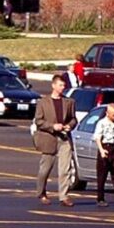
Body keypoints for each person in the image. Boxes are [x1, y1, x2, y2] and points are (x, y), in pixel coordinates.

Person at [33, 74, 76, 206]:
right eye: (60, 85)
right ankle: (41, 192)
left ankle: (64, 196)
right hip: (49, 138)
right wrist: (52, 126)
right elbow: (38, 121)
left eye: (64, 85)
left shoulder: (69, 102)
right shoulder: (43, 102)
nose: (63, 88)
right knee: (45, 169)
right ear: (53, 85)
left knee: (65, 169)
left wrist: (69, 126)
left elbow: (73, 119)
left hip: (64, 138)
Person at [93, 103, 114, 207]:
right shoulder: (102, 123)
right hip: (105, 147)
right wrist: (102, 150)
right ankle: (100, 198)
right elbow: (97, 137)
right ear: (107, 113)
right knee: (102, 175)